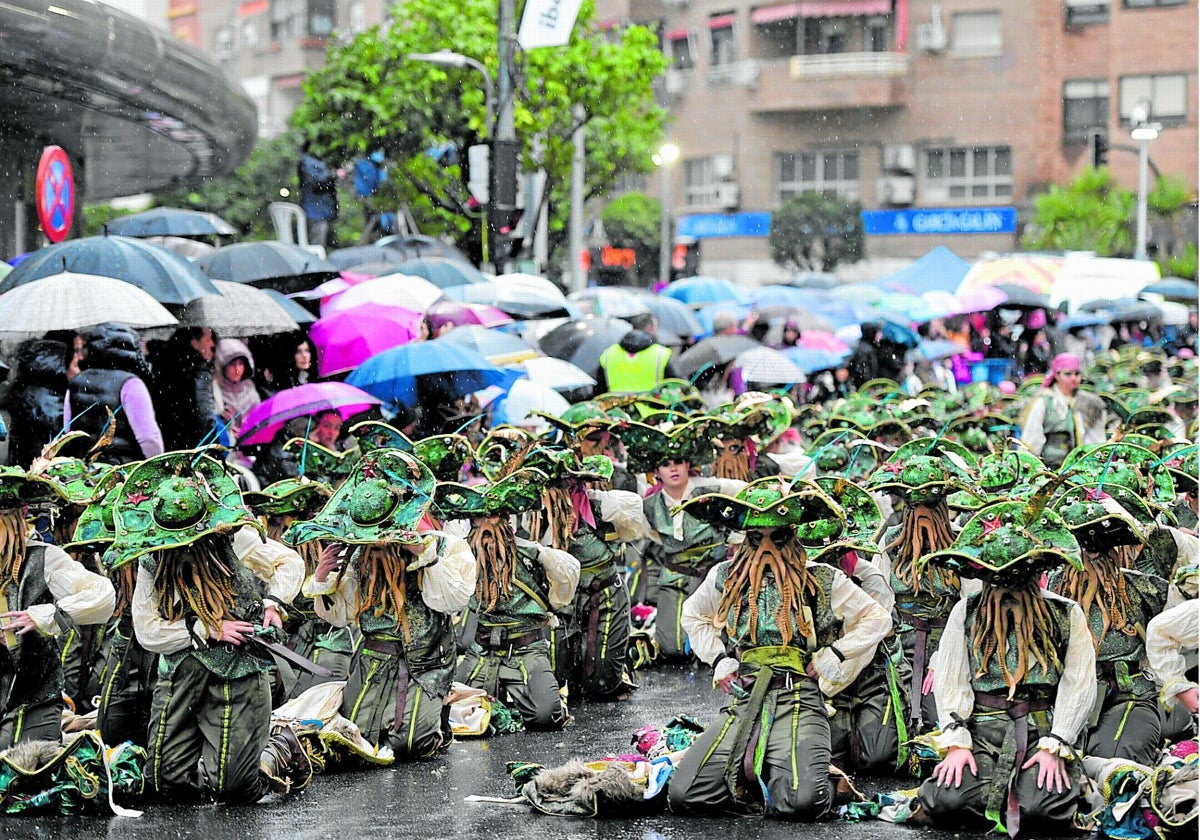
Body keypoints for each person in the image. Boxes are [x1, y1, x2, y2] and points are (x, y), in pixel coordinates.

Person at [668, 480, 891, 820]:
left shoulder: (822, 578)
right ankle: (764, 778)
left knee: (803, 803)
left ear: (793, 534)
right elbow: (694, 615)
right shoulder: (725, 576)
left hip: (800, 696)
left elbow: (876, 618)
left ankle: (822, 779)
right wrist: (719, 659)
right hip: (745, 697)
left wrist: (835, 655)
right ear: (746, 538)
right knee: (687, 795)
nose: (767, 546)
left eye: (779, 536)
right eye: (758, 537)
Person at [121, 452, 310, 801]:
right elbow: (147, 629)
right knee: (165, 783)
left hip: (239, 670)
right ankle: (217, 770)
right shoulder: (151, 557)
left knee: (234, 789)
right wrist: (208, 629)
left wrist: (275, 603)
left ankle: (275, 749)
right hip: (181, 670)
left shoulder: (234, 537)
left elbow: (289, 561)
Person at [913, 501, 1095, 837]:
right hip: (981, 729)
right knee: (949, 799)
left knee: (1039, 807)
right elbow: (952, 681)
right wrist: (957, 743)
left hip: (1041, 729)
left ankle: (1076, 779)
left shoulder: (1065, 613)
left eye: (1016, 576)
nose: (1006, 588)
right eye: (996, 579)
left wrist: (1056, 744)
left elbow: (1079, 684)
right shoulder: (965, 612)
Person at [290, 449, 476, 761]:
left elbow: (453, 600)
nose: (373, 541)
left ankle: (437, 711)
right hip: (372, 663)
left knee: (410, 744)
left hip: (425, 664)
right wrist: (323, 575)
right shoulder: (357, 555)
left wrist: (422, 555)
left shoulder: (443, 545)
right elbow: (342, 616)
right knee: (352, 744)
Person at [439, 468, 579, 730]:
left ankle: (532, 694)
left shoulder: (530, 554)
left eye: (492, 517)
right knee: (445, 713)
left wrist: (536, 552)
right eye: (478, 520)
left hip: (526, 649)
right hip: (482, 652)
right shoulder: (463, 557)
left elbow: (568, 577)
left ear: (506, 519)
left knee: (546, 717)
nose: (485, 527)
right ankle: (495, 699)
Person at [1047, 484, 1170, 766]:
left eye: (1102, 544)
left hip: (1129, 696)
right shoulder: (1053, 591)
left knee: (1112, 757)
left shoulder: (1146, 589)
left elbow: (1181, 630)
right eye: (1084, 543)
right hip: (1063, 699)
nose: (1092, 554)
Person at [0, 466, 114, 748]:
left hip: (34, 700)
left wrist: (45, 617)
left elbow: (102, 594)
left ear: (16, 516)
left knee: (20, 768)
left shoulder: (44, 558)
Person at [64, 322, 164, 464]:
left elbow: (68, 432)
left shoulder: (77, 381)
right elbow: (149, 437)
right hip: (122, 472)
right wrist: (157, 465)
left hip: (85, 473)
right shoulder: (131, 383)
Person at [1019, 353, 1107, 469]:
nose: (1074, 378)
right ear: (1056, 375)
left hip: (1080, 467)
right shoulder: (1044, 402)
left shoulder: (1089, 403)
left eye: (1077, 374)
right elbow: (1032, 440)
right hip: (1049, 467)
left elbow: (1097, 440)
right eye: (1068, 374)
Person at [150, 327, 220, 451]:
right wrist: (212, 446)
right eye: (208, 340)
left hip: (166, 442)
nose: (212, 344)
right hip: (193, 445)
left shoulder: (160, 367)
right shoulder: (199, 369)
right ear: (194, 343)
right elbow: (204, 412)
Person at [7, 339, 68, 468]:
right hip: (41, 465)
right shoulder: (46, 396)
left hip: (27, 462)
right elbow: (61, 430)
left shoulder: (30, 389)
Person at [596, 313, 678, 394]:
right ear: (650, 328)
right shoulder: (662, 354)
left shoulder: (609, 354)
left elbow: (599, 390)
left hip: (617, 406)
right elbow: (677, 387)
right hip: (652, 407)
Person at [213, 338, 262, 440]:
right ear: (223, 366)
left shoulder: (250, 389)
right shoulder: (216, 390)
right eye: (232, 364)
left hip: (250, 445)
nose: (237, 369)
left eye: (241, 364)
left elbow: (259, 418)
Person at [297, 141, 338, 249]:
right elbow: (317, 184)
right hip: (316, 209)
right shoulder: (309, 162)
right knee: (316, 243)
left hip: (320, 208)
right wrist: (334, 176)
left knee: (317, 241)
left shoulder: (310, 161)